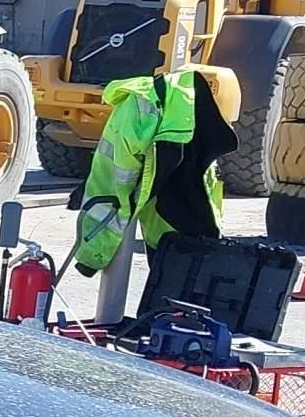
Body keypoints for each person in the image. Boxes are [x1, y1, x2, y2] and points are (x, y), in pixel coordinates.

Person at [72, 69, 235, 279]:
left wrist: (91, 258)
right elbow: (113, 189)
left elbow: (113, 186)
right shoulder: (141, 111)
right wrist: (92, 256)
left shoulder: (177, 115)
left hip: (184, 251)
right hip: (182, 250)